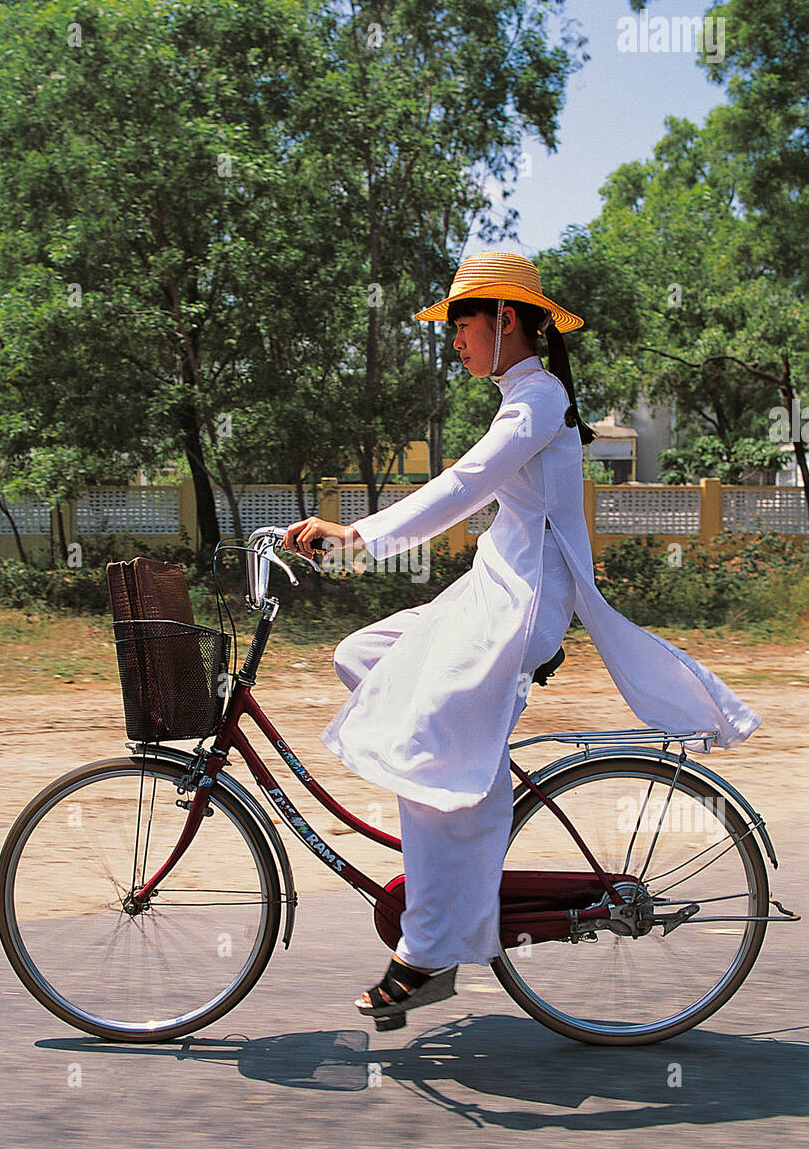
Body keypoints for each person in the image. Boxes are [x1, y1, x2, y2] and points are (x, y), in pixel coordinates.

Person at [282, 251, 760, 1028]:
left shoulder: (538, 400)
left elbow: (462, 486)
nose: (454, 341)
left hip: (520, 604)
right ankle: (473, 781)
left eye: (461, 324)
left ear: (505, 319)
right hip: (488, 590)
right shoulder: (521, 397)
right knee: (361, 657)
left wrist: (355, 538)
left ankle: (429, 950)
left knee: (429, 736)